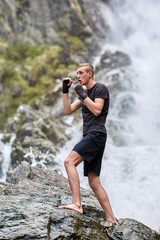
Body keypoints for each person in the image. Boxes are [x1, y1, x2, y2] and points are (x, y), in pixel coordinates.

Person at [59, 63, 117, 224]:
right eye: (77, 73)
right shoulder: (84, 93)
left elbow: (97, 110)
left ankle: (77, 204)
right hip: (93, 135)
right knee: (94, 181)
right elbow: (68, 110)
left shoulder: (100, 88)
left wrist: (83, 95)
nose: (78, 76)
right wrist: (65, 91)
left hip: (96, 134)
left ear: (90, 74)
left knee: (69, 161)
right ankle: (111, 218)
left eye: (81, 73)